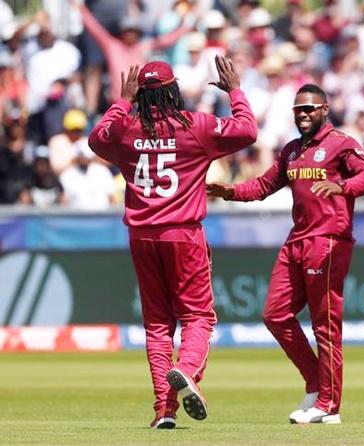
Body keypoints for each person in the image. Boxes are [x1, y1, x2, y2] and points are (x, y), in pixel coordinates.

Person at [88, 56, 257, 428]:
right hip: (183, 234)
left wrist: (122, 102)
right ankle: (187, 370)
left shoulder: (126, 130)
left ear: (140, 95)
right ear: (174, 90)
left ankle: (164, 410)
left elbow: (96, 139)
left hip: (142, 236)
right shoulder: (195, 126)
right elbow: (247, 131)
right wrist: (236, 91)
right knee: (198, 316)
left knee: (158, 324)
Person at [207, 84, 364, 424]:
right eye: (298, 110)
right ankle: (317, 383)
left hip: (328, 240)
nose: (302, 114)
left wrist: (342, 186)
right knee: (275, 314)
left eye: (309, 109)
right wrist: (228, 191)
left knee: (325, 325)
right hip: (297, 241)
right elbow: (262, 186)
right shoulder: (291, 151)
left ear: (325, 110)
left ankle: (329, 405)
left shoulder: (341, 144)